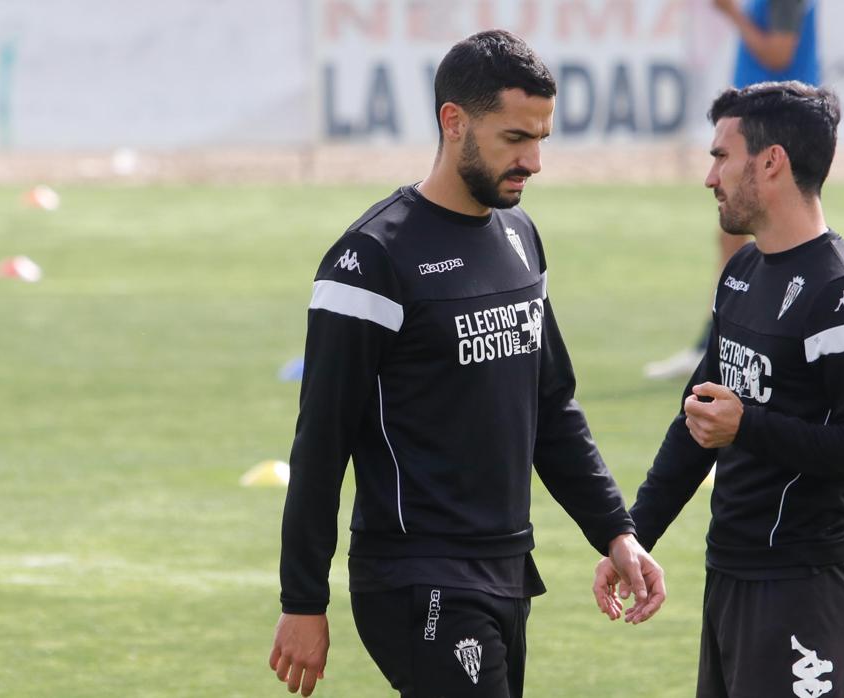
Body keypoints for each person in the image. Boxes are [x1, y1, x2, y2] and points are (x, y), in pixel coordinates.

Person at [269, 30, 665, 698]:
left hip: (508, 568)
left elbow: (551, 407)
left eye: (541, 137)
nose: (534, 160)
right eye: (515, 138)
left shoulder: (520, 237)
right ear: (454, 122)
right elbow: (321, 440)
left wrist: (616, 533)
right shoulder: (370, 261)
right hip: (415, 576)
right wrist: (302, 599)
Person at [596, 82, 844, 698]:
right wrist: (634, 535)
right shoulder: (742, 272)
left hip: (806, 590)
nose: (710, 176)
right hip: (731, 580)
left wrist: (750, 427)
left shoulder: (843, 297)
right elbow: (698, 419)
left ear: (771, 162)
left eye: (721, 156)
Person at [644, 0, 821, 380]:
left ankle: (728, 344)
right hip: (772, 126)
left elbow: (778, 52)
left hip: (774, 128)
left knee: (768, 237)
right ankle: (720, 343)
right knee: (738, 236)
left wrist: (731, 14)